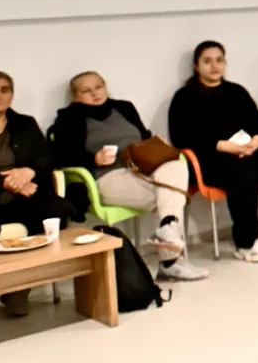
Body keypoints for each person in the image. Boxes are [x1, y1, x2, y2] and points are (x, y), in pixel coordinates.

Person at [51, 71, 208, 281]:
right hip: (108, 177)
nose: (95, 94)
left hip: (142, 170)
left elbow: (143, 136)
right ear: (75, 96)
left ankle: (168, 235)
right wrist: (93, 159)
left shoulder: (124, 108)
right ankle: (170, 261)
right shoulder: (69, 118)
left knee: (176, 163)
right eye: (86, 91)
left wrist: (155, 142)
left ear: (105, 86)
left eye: (98, 87)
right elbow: (60, 157)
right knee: (170, 198)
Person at [168, 41, 258, 263]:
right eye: (207, 61)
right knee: (243, 172)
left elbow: (256, 124)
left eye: (219, 60)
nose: (214, 66)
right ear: (196, 66)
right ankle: (246, 243)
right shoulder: (184, 97)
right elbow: (181, 136)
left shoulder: (236, 91)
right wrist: (223, 146)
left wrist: (256, 140)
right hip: (210, 157)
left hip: (247, 150)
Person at [0, 71, 66, 321]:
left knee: (51, 214)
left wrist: (29, 171)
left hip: (24, 196)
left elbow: (47, 157)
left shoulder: (25, 124)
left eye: (4, 90)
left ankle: (19, 289)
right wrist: (9, 183)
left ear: (12, 95)